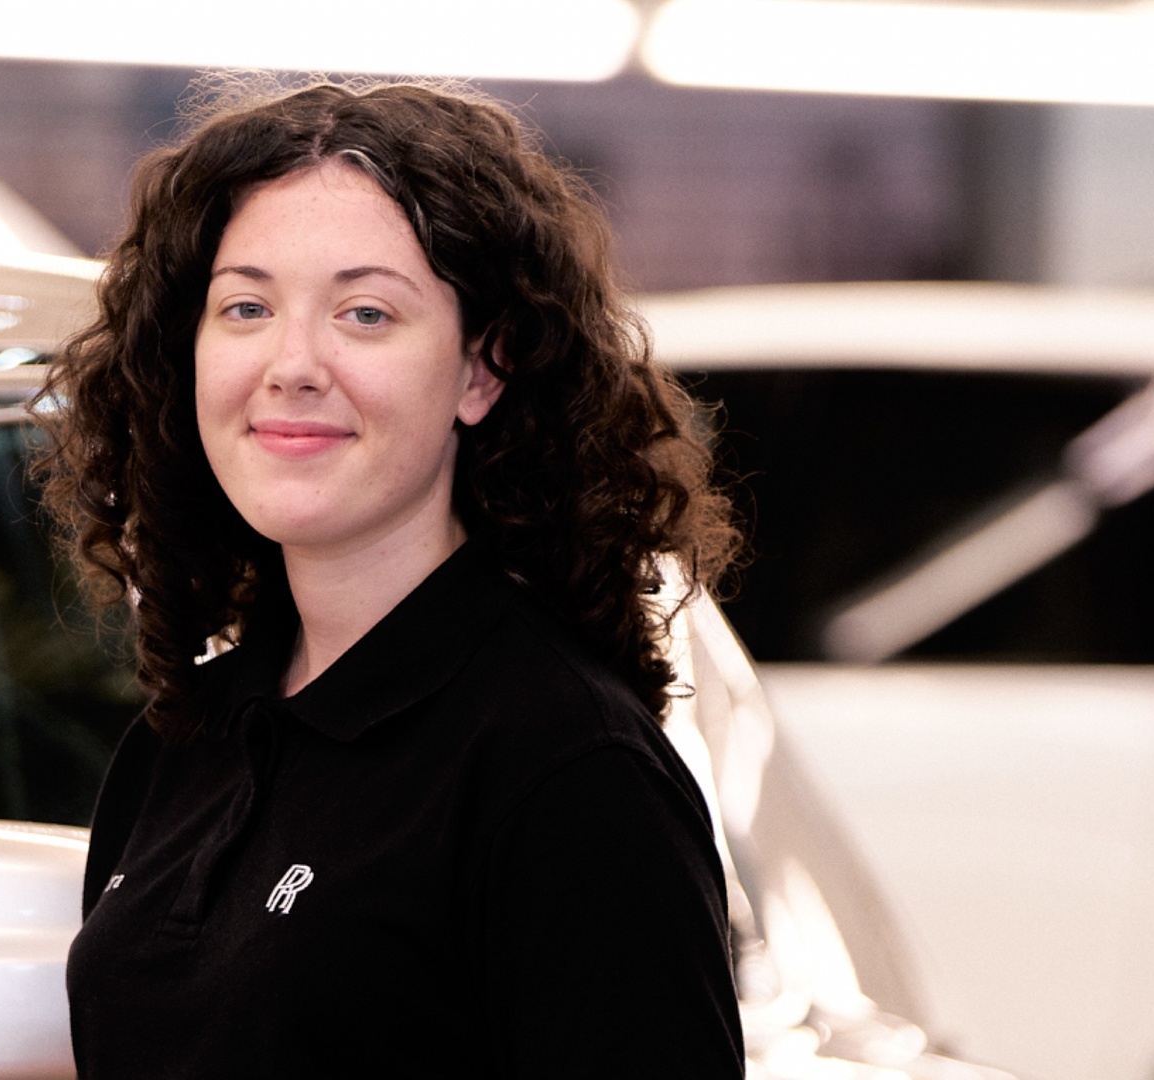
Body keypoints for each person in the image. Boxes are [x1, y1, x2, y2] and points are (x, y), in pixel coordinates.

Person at [37, 78, 745, 1078]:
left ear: (482, 370)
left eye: (365, 313)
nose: (291, 363)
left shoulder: (566, 767)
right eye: (246, 307)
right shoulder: (183, 740)